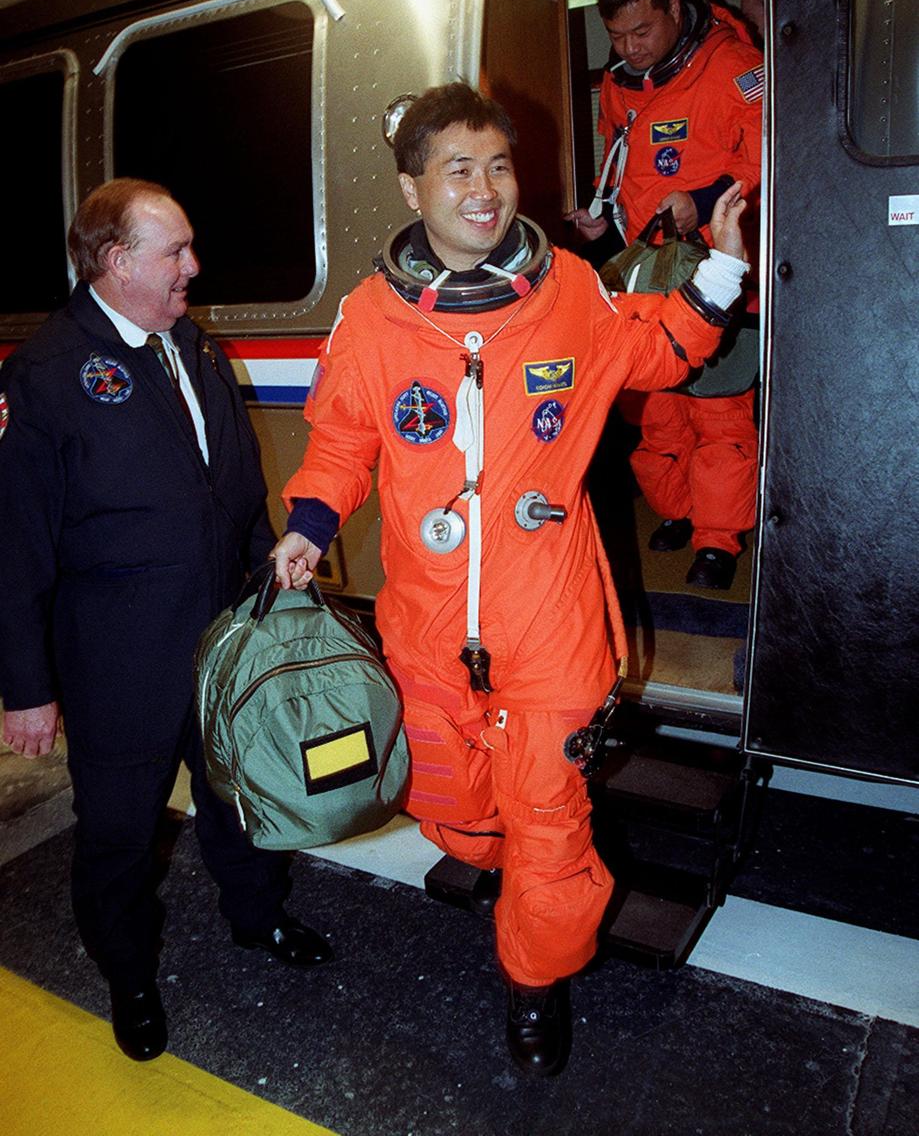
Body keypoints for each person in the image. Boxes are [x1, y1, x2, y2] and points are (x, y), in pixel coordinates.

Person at [270, 83, 749, 1075]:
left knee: (548, 816)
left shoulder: (569, 287)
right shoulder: (370, 317)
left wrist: (725, 264)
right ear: (413, 187)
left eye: (498, 165)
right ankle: (485, 851)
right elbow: (342, 440)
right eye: (458, 168)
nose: (485, 188)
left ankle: (536, 981)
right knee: (454, 803)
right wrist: (309, 527)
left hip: (550, 617)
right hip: (427, 621)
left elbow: (655, 347)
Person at [0, 179, 333, 1064]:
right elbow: (15, 547)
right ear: (117, 263)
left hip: (220, 637)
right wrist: (25, 687)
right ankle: (129, 974)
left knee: (240, 797)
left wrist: (273, 575)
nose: (194, 266)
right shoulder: (45, 373)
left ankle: (257, 920)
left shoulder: (193, 346)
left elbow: (236, 484)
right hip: (118, 660)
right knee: (118, 831)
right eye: (175, 252)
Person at [567, 0, 762, 590]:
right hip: (649, 273)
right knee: (656, 412)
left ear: (674, 9)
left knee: (718, 416)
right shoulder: (618, 84)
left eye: (643, 31)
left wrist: (703, 202)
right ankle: (681, 512)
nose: (631, 47)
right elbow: (620, 166)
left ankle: (719, 538)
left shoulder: (733, 66)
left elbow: (775, 153)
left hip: (720, 269)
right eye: (618, 36)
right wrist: (604, 217)